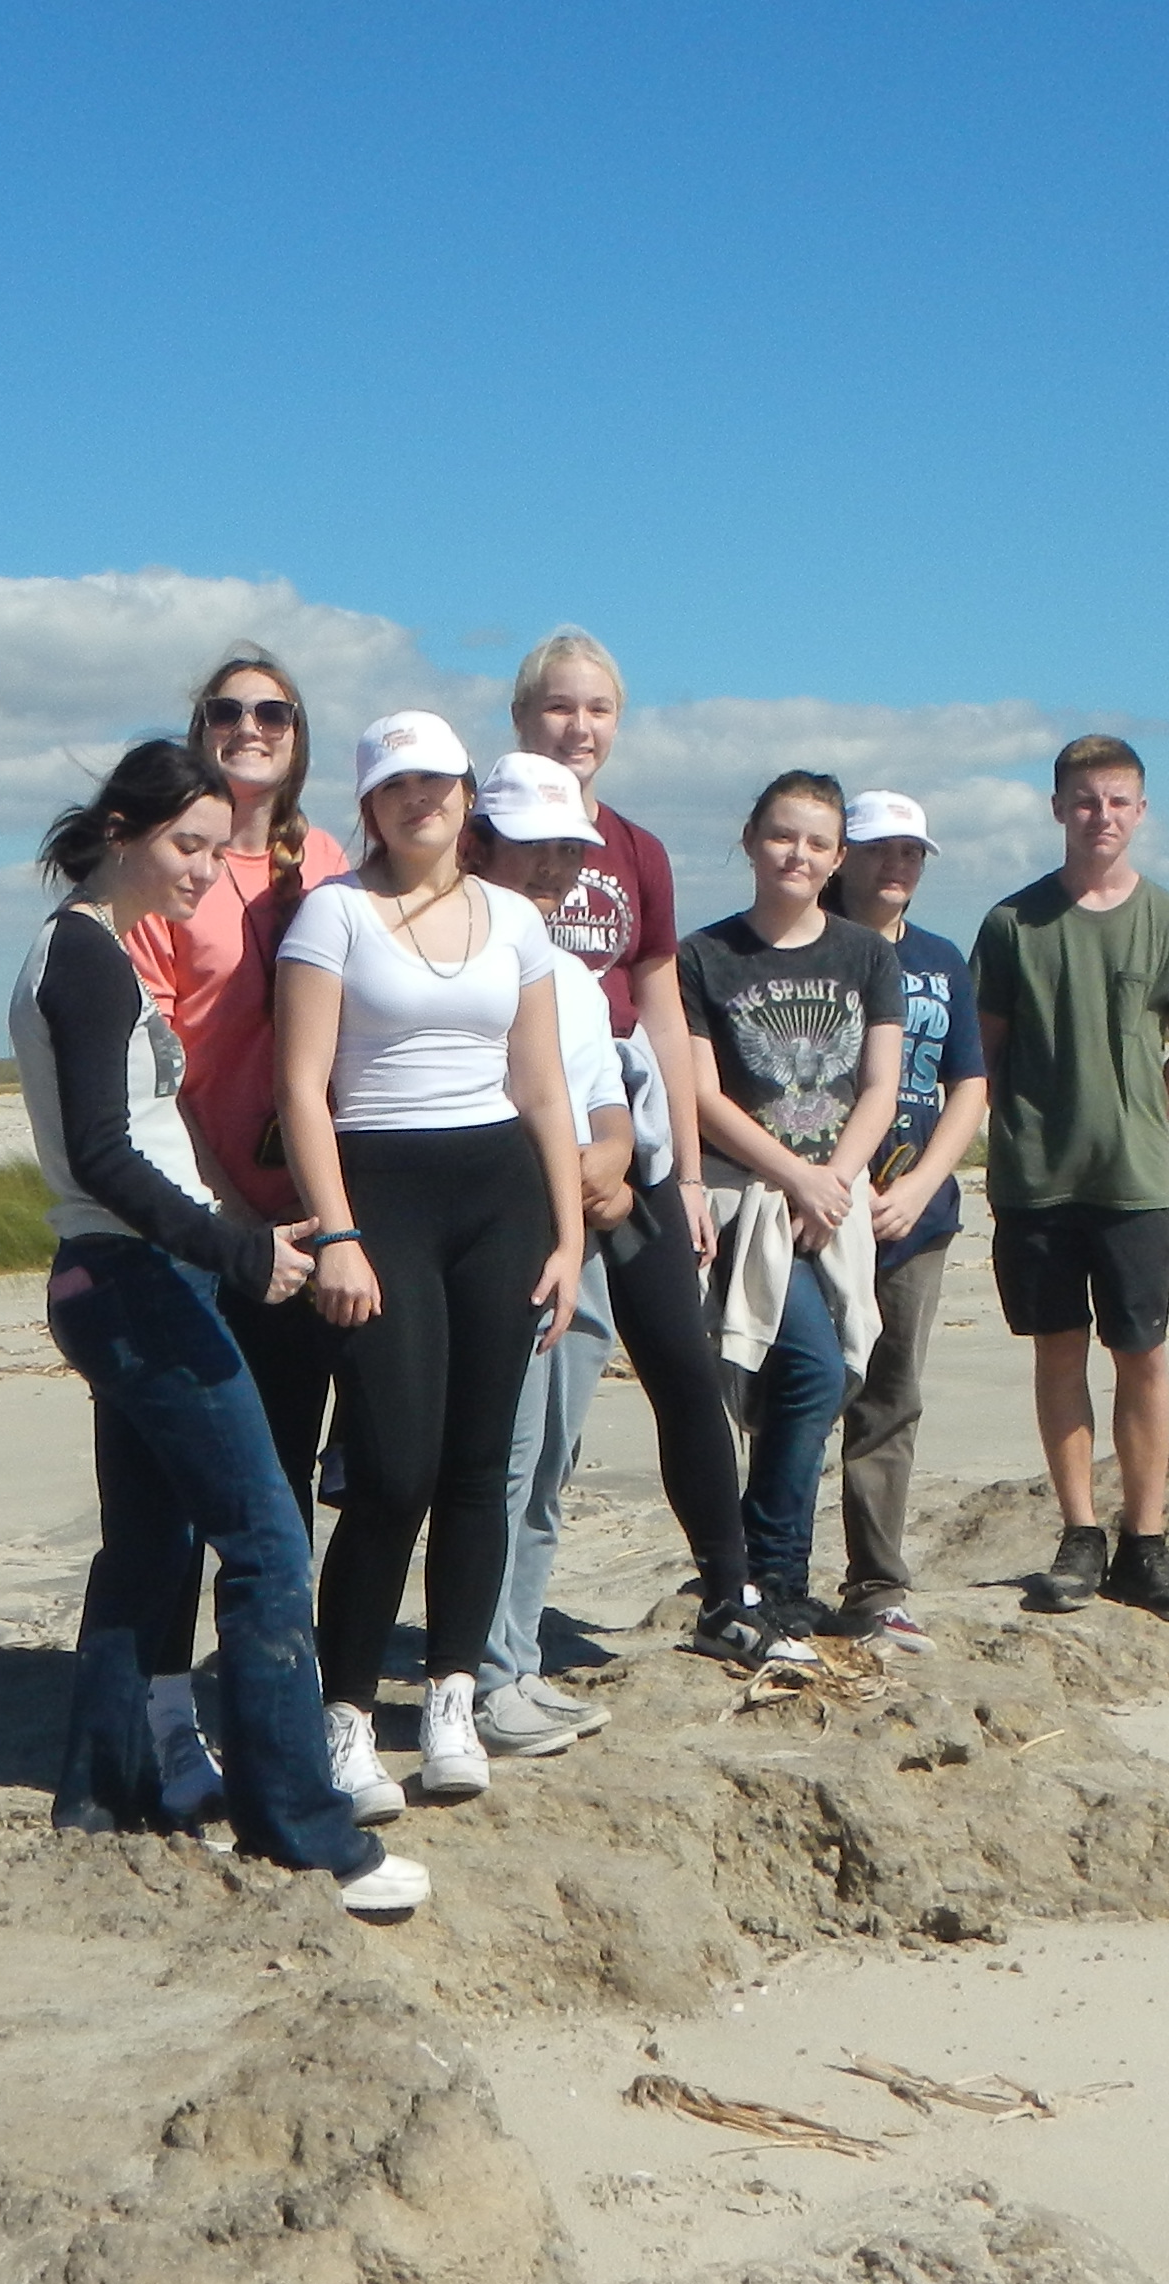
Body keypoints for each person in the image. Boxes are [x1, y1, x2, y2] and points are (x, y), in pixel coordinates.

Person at [11, 736, 430, 1917]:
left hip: (123, 1279)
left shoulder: (97, 956)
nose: (205, 867)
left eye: (212, 846)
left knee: (148, 1550)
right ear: (120, 834)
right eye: (186, 845)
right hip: (132, 1278)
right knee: (264, 1540)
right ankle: (303, 1828)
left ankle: (101, 1798)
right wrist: (238, 1250)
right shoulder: (86, 959)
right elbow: (101, 1152)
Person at [274, 711, 587, 1809]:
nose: (423, 801)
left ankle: (452, 1694)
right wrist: (340, 1231)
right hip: (382, 1196)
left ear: (468, 794)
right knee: (393, 1470)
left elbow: (543, 1087)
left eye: (441, 782)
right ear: (370, 802)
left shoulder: (512, 916)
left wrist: (569, 1234)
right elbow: (303, 1087)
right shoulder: (334, 916)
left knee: (477, 1470)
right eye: (399, 785)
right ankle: (346, 1713)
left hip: (498, 1195)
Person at [488, 629, 798, 1671]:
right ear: (523, 717)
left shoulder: (635, 848)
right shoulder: (483, 837)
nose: (580, 727)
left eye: (599, 710)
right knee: (528, 1397)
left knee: (682, 1362)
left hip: (631, 1130)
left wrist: (691, 1170)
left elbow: (663, 1007)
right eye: (559, 708)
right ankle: (488, 1633)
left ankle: (730, 1587)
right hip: (522, 1130)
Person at [972, 734, 1169, 1621]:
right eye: (1083, 800)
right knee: (1058, 1350)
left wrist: (1135, 1121)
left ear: (1141, 812)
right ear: (1056, 809)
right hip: (1035, 1181)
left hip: (1133, 1182)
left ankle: (1145, 1543)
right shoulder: (1011, 924)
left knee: (1143, 1353)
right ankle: (1080, 1536)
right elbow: (982, 1056)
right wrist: (1033, 1127)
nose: (1100, 816)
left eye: (1117, 801)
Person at [677, 772, 907, 1643]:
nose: (798, 855)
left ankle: (758, 1581)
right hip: (748, 1204)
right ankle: (763, 1575)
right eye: (782, 836)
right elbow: (702, 1095)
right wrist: (794, 1179)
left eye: (817, 842)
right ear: (749, 839)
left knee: (819, 1379)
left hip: (835, 1199)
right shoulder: (703, 956)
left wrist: (833, 1183)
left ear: (838, 856)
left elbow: (879, 1086)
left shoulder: (865, 953)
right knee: (800, 1372)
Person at [126, 644, 348, 1534]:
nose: (248, 728)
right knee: (190, 1474)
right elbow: (157, 1065)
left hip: (317, 1203)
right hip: (207, 1202)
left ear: (297, 739)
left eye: (271, 714)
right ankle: (171, 1670)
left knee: (293, 1455)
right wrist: (225, 1213)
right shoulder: (171, 873)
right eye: (227, 712)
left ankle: (283, 1661)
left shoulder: (327, 858)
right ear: (200, 731)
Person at [468, 752, 645, 1757]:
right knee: (501, 1464)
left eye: (568, 849)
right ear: (479, 841)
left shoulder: (573, 974)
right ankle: (483, 1679)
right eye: (531, 847)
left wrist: (614, 1158)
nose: (552, 869)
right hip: (510, 1243)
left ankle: (517, 1664)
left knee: (548, 1471)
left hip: (584, 1242)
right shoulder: (452, 956)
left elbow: (604, 1089)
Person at [822, 788, 989, 1644]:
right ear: (844, 853)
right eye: (882, 849)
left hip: (915, 1216)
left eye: (912, 853)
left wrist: (923, 1185)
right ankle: (759, 1576)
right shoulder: (807, 941)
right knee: (794, 1394)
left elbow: (969, 1084)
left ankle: (876, 1582)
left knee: (890, 1400)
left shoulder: (940, 959)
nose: (897, 866)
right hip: (816, 1209)